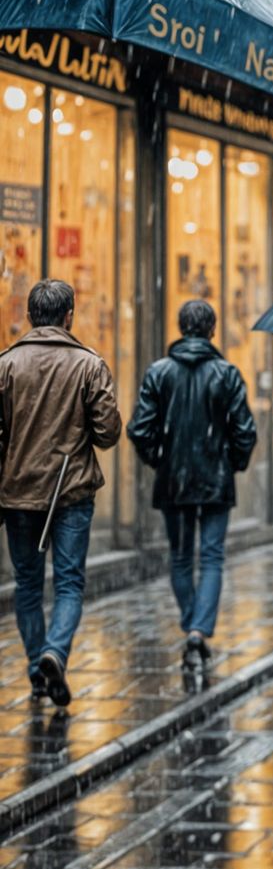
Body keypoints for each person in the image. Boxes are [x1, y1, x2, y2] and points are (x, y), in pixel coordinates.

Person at [0, 278, 122, 707]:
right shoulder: (89, 365)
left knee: (28, 586)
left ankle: (38, 669)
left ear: (31, 317)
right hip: (71, 490)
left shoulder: (7, 365)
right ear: (68, 315)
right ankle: (55, 651)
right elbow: (108, 433)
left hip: (18, 492)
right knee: (69, 584)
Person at [127, 300, 257, 670]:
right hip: (215, 481)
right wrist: (232, 463)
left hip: (174, 482)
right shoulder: (226, 374)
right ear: (212, 330)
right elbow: (245, 430)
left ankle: (193, 627)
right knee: (212, 556)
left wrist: (159, 459)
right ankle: (198, 631)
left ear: (181, 327)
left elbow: (138, 428)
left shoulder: (159, 372)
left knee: (182, 557)